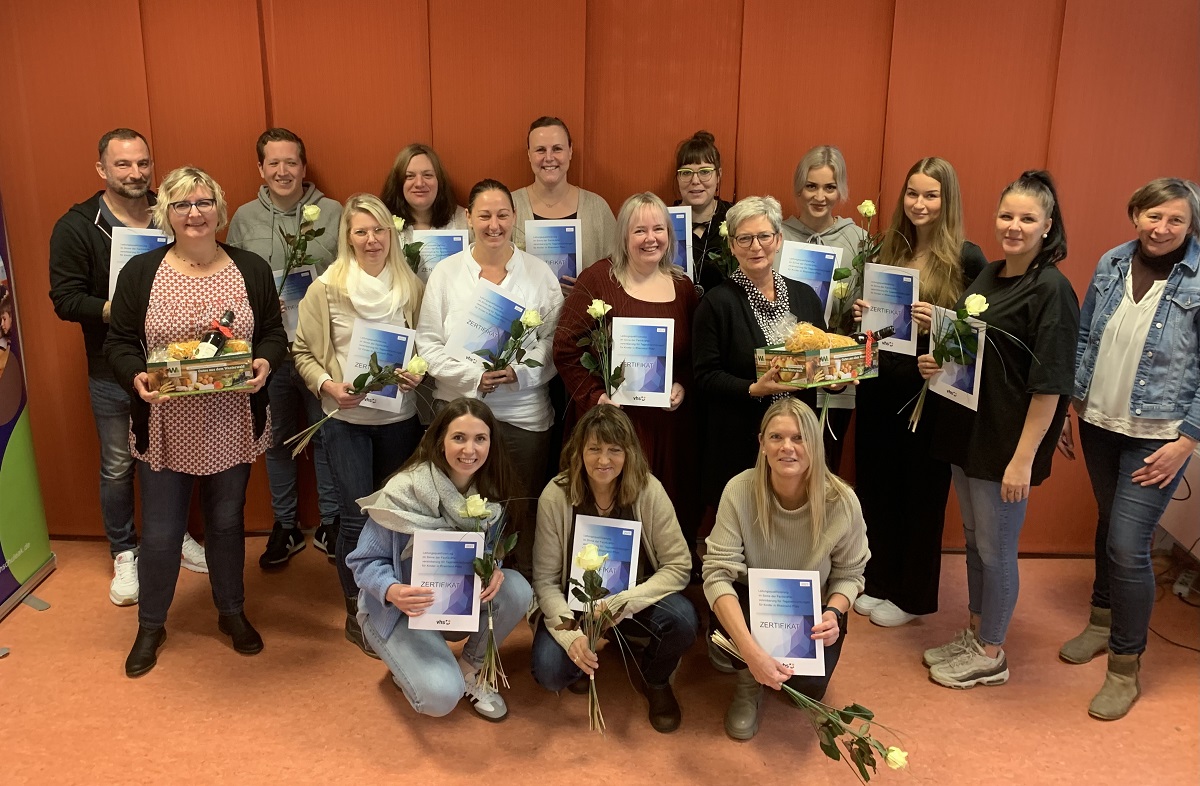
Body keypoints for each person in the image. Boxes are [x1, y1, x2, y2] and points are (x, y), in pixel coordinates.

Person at [104, 166, 287, 677]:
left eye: (203, 202)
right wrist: (134, 377)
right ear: (167, 212)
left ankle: (231, 612)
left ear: (219, 210)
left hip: (230, 421)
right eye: (182, 204)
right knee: (161, 532)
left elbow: (273, 333)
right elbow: (118, 343)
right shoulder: (141, 272)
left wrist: (264, 362)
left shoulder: (250, 268)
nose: (194, 213)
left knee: (227, 524)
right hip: (164, 426)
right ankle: (151, 624)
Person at [918, 170, 1079, 689]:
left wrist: (1023, 459)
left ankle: (992, 652)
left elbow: (1050, 386)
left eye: (1027, 218)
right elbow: (974, 349)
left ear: (1047, 226)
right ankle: (974, 630)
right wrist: (936, 359)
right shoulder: (988, 274)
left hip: (1006, 444)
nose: (1014, 226)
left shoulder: (1052, 290)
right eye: (1007, 215)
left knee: (997, 548)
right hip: (969, 434)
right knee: (972, 540)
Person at [1057, 178, 1200, 720]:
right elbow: (1087, 337)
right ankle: (1100, 622)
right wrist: (1073, 402)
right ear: (1135, 214)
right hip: (1099, 420)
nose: (1161, 229)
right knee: (1107, 525)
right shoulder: (1113, 261)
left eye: (1176, 221)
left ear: (1190, 226)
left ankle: (1125, 665)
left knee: (1127, 542)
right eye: (1152, 216)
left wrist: (1186, 441)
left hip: (1159, 436)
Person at [49, 129, 207, 607]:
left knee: (175, 457)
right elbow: (64, 298)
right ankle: (124, 552)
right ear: (102, 169)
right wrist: (119, 309)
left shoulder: (173, 209)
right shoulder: (76, 226)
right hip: (111, 368)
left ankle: (174, 535)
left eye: (142, 163)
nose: (135, 173)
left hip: (174, 365)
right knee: (119, 465)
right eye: (123, 165)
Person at [852, 157, 988, 628]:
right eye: (912, 193)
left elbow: (978, 338)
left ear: (946, 201)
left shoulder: (967, 258)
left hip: (926, 395)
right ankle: (880, 579)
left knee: (920, 495)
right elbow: (873, 329)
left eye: (931, 195)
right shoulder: (884, 247)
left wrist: (942, 324)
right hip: (878, 387)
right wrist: (862, 314)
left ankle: (912, 596)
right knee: (876, 486)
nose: (919, 204)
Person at [292, 193, 426, 656]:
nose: (371, 240)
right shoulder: (326, 288)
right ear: (347, 237)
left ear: (392, 234)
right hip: (345, 421)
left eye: (379, 231)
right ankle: (357, 609)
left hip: (400, 421)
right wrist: (328, 386)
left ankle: (390, 600)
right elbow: (302, 352)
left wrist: (418, 372)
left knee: (394, 518)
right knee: (354, 517)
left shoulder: (410, 285)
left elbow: (425, 345)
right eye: (361, 232)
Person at [348, 398, 531, 721]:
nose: (469, 450)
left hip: (454, 606)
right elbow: (363, 562)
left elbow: (489, 552)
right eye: (458, 437)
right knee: (440, 698)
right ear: (440, 441)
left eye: (480, 439)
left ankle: (468, 671)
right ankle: (416, 668)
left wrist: (494, 570)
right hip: (399, 610)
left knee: (516, 589)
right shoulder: (405, 490)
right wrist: (392, 590)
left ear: (491, 443)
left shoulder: (490, 492)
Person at [416, 179, 562, 576]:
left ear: (515, 217)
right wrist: (474, 377)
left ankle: (529, 587)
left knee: (523, 507)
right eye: (484, 215)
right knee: (461, 508)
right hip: (460, 412)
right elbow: (428, 344)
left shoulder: (539, 274)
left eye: (502, 215)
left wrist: (517, 372)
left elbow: (555, 344)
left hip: (524, 414)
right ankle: (465, 591)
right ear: (469, 218)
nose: (494, 224)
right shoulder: (446, 274)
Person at [702, 398, 868, 740]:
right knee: (731, 648)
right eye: (776, 437)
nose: (787, 447)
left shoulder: (842, 501)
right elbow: (717, 574)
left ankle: (780, 668)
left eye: (798, 437)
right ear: (762, 444)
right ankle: (748, 681)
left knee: (809, 689)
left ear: (815, 443)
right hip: (753, 598)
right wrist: (749, 651)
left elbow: (850, 574)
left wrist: (834, 613)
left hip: (813, 606)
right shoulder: (739, 490)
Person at [531, 404, 697, 733]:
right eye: (593, 449)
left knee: (684, 620)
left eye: (614, 450)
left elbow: (679, 565)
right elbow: (546, 583)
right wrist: (572, 638)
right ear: (578, 451)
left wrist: (625, 601)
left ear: (629, 453)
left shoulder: (649, 490)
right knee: (550, 672)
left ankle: (655, 677)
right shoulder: (555, 496)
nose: (603, 460)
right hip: (574, 603)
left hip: (634, 598)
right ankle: (585, 654)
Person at [554, 192, 700, 546]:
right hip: (611, 423)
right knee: (609, 513)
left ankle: (661, 584)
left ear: (670, 234)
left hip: (665, 427)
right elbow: (565, 347)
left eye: (659, 229)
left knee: (660, 515)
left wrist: (682, 384)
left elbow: (693, 356)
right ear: (623, 237)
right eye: (639, 231)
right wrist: (596, 397)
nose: (651, 238)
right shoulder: (598, 280)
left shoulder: (683, 288)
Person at [226, 127, 343, 569]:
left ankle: (332, 522)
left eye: (290, 162)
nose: (282, 171)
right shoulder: (242, 218)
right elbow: (229, 282)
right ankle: (286, 524)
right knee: (275, 440)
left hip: (321, 351)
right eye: (273, 163)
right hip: (268, 353)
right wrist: (254, 302)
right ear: (260, 168)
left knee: (327, 437)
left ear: (304, 166)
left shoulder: (334, 212)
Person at [781, 145, 869, 472]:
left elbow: (863, 322)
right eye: (812, 186)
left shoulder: (859, 241)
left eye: (829, 187)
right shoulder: (777, 237)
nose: (820, 196)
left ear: (840, 190)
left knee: (824, 468)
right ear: (799, 188)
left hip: (836, 380)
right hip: (787, 372)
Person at [511, 116, 616, 284]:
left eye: (557, 148)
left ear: (570, 151)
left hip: (584, 308)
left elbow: (618, 269)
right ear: (529, 155)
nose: (549, 157)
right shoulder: (509, 207)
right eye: (540, 150)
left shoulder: (597, 208)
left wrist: (589, 288)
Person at [672, 131, 733, 295]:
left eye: (705, 171)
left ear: (718, 175)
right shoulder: (662, 221)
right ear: (677, 178)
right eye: (686, 172)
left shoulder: (736, 218)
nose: (695, 181)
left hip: (723, 316)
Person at [380, 142, 468, 252]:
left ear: (439, 181)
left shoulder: (463, 220)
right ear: (398, 182)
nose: (419, 183)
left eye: (427, 175)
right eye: (410, 176)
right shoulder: (381, 222)